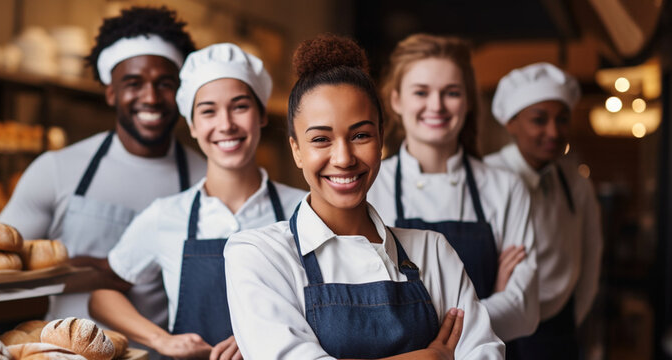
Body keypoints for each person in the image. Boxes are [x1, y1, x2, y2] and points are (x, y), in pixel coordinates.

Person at [224, 34, 503, 359]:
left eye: (360, 135)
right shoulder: (260, 255)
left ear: (381, 138)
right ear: (296, 150)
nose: (343, 158)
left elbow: (485, 353)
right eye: (321, 139)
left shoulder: (433, 252)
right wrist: (427, 357)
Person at [89, 43, 306, 359]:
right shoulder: (165, 216)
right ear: (191, 125)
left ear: (261, 115)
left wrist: (263, 333)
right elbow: (102, 295)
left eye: (240, 106)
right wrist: (161, 340)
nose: (225, 124)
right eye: (207, 111)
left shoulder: (305, 211)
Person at [0, 7, 207, 325]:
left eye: (165, 84)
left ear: (180, 93)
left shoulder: (206, 179)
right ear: (111, 92)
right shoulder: (56, 170)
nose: (150, 97)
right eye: (134, 83)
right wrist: (97, 272)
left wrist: (97, 267)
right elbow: (0, 269)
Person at [366, 33, 538, 342]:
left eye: (452, 93)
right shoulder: (370, 186)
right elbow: (366, 307)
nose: (437, 105)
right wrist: (488, 305)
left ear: (468, 101)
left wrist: (417, 325)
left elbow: (523, 312)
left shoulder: (506, 188)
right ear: (396, 100)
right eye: (421, 92)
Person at [485, 62, 603, 359]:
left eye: (562, 120)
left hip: (558, 328)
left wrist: (572, 314)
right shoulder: (487, 177)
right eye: (539, 120)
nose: (553, 131)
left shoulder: (574, 182)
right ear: (511, 122)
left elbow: (591, 254)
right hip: (495, 324)